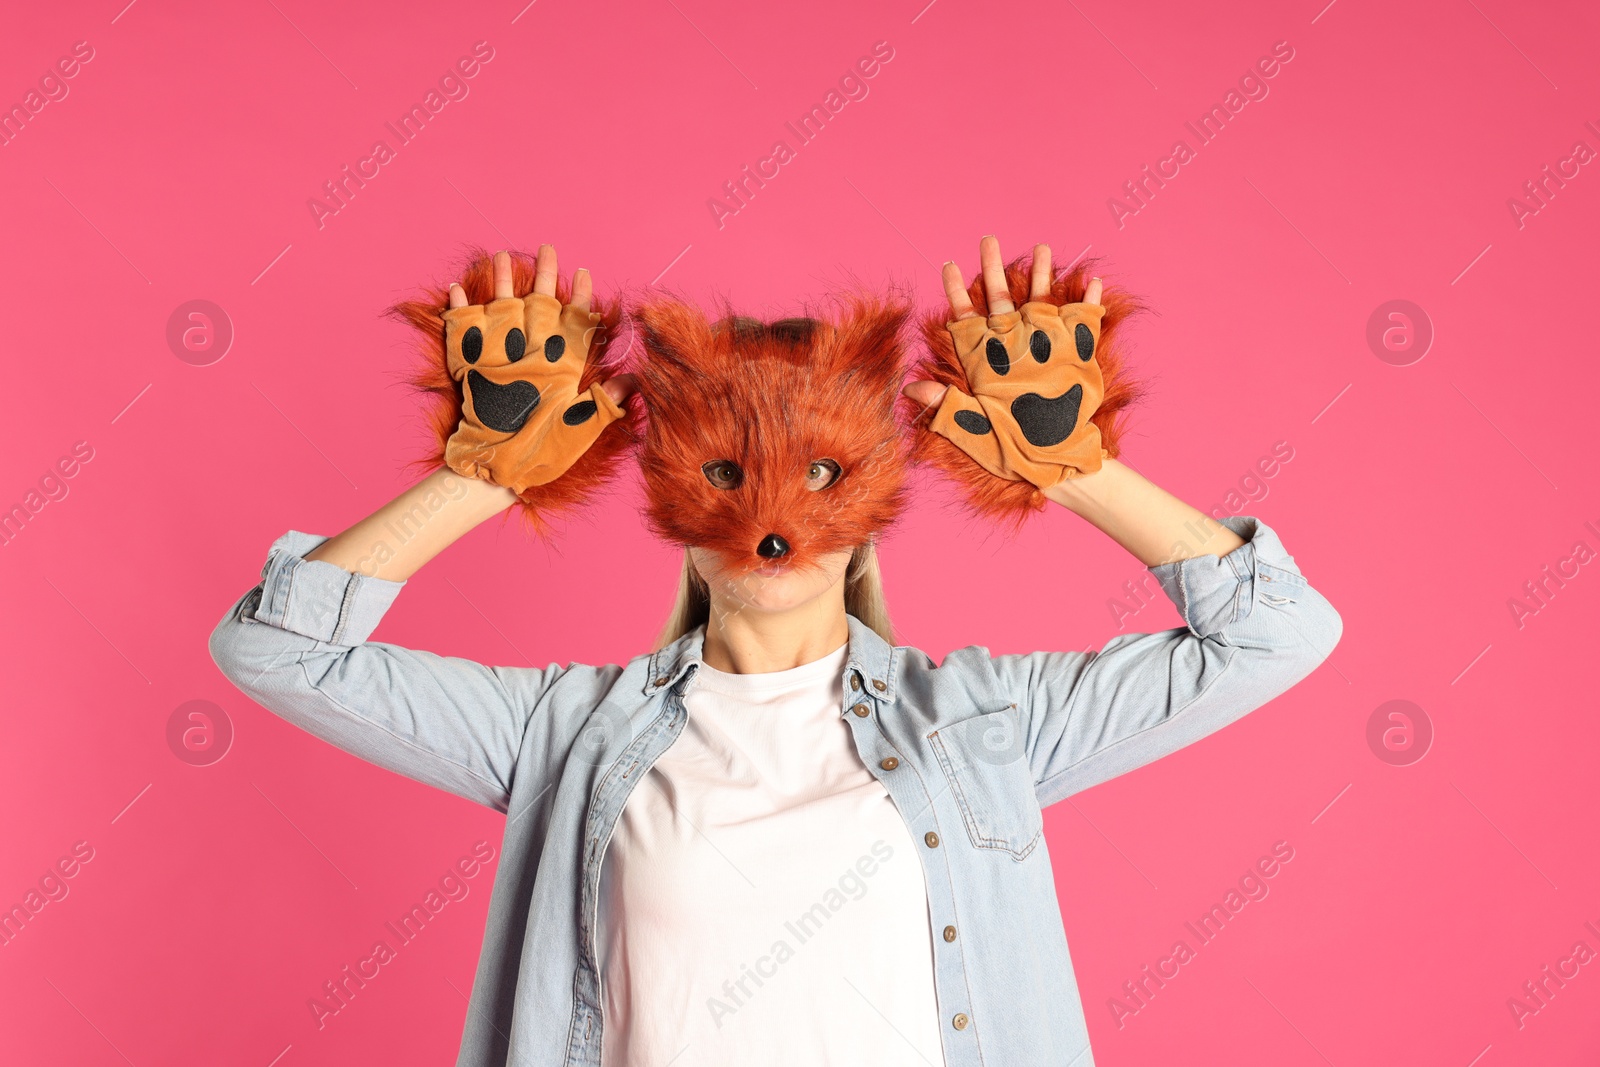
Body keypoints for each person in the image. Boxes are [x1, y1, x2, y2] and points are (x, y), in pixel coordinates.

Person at [209, 238, 1342, 1066]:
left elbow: (1274, 631)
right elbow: (277, 651)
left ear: (871, 504)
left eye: (816, 475)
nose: (770, 519)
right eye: (722, 474)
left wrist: (1070, 465)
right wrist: (482, 475)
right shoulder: (562, 735)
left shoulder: (987, 722)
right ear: (668, 504)